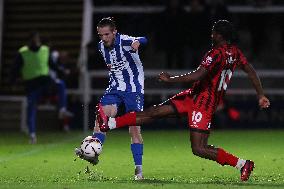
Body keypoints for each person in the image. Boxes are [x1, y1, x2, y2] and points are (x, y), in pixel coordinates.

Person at [97, 20, 270, 181]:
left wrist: (170, 79)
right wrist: (260, 94)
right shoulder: (236, 52)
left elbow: (198, 75)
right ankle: (110, 124)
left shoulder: (215, 53)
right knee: (155, 112)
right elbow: (251, 71)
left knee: (199, 148)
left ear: (219, 35)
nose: (211, 36)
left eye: (213, 33)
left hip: (204, 102)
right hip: (193, 95)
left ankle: (242, 163)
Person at [76, 17, 147, 180]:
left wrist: (137, 42)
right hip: (114, 88)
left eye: (107, 34)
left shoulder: (124, 41)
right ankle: (93, 152)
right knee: (101, 119)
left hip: (133, 90)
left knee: (134, 129)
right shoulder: (101, 46)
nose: (104, 38)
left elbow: (143, 39)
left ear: (114, 32)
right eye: (100, 35)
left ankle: (139, 170)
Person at [12, 31, 73, 143]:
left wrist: (62, 71)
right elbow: (15, 69)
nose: (36, 41)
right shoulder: (23, 52)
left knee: (60, 84)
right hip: (32, 86)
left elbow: (52, 65)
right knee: (31, 109)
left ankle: (62, 110)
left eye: (37, 39)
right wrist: (12, 82)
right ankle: (32, 135)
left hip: (46, 83)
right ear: (29, 41)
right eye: (34, 39)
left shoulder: (45, 50)